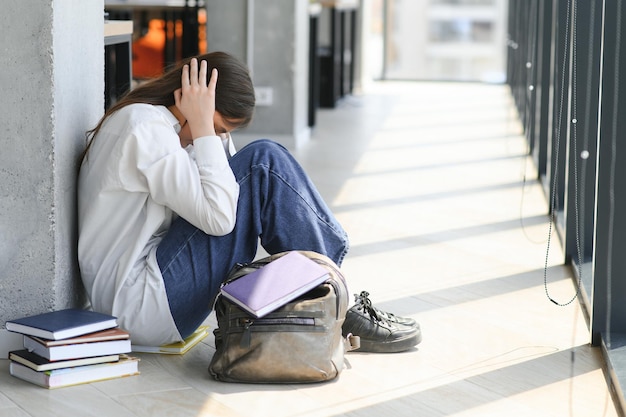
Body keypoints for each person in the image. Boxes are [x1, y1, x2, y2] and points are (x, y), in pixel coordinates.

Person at [77, 51, 421, 353]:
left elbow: (230, 193)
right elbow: (220, 217)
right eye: (217, 127)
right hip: (139, 305)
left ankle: (332, 297)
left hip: (156, 292)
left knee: (258, 167)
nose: (217, 138)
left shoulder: (170, 133)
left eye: (224, 131)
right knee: (263, 161)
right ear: (189, 100)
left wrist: (205, 132)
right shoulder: (145, 127)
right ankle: (337, 304)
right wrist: (202, 128)